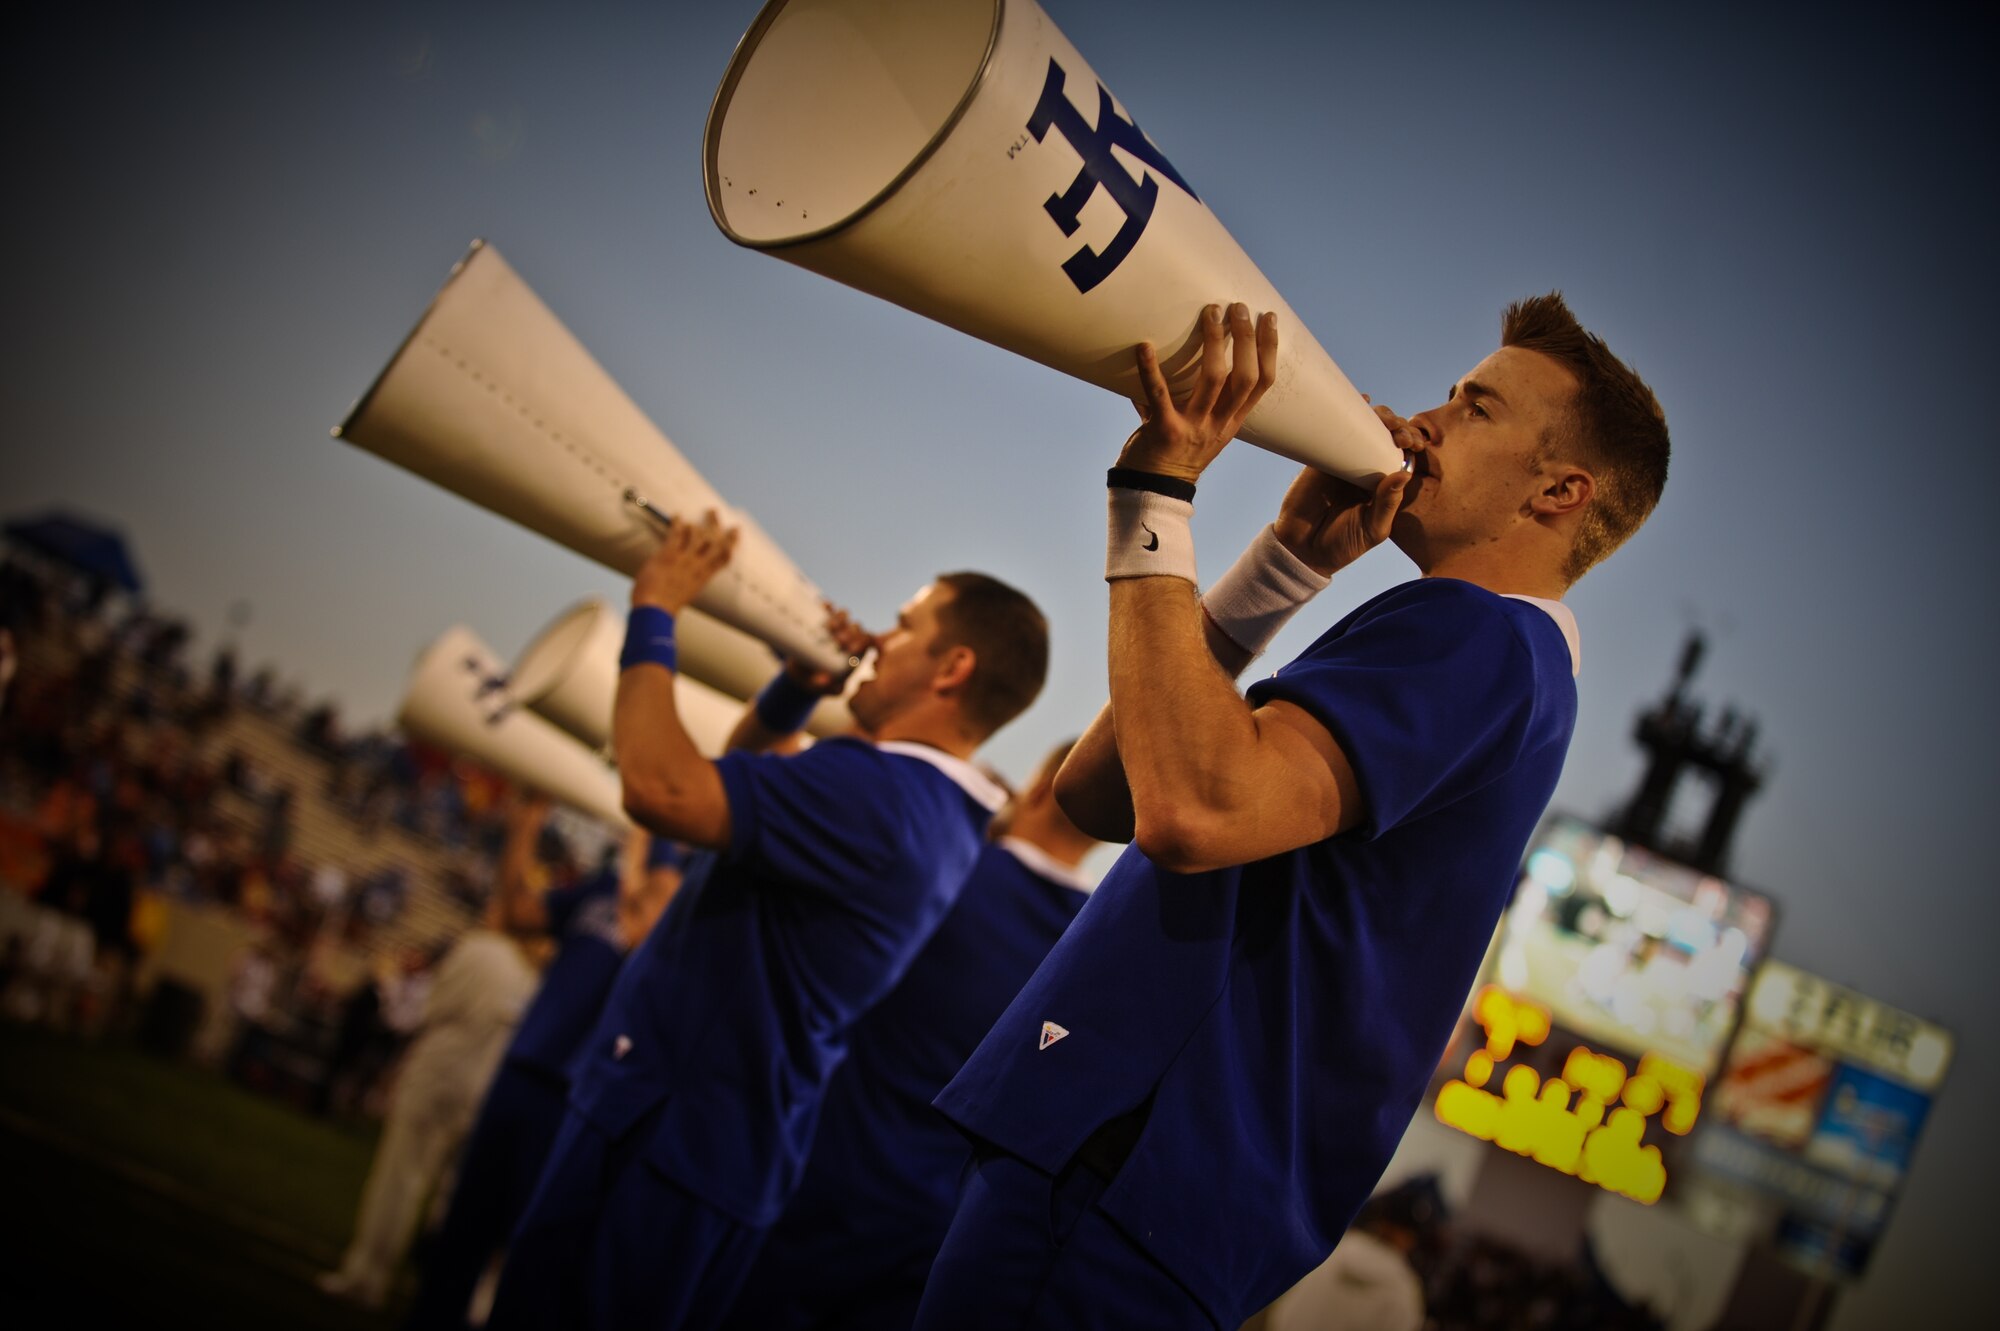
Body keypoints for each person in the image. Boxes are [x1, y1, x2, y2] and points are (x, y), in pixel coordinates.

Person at [916, 294, 1670, 1329]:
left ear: (1557, 490)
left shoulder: (1479, 634)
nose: (1428, 419)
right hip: (1152, 1178)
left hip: (1130, 1157)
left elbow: (1189, 809)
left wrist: (1155, 491)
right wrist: (1285, 562)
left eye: (1475, 406)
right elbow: (1098, 793)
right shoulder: (1505, 659)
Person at [486, 518, 1049, 1331]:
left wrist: (655, 610)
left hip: (668, 1132)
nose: (882, 640)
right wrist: (794, 686)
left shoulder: (875, 793)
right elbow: (736, 783)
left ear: (953, 667)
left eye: (906, 625)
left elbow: (662, 790)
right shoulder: (924, 806)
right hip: (709, 1142)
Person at [724, 738, 1099, 1331]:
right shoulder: (1095, 952)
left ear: (1038, 786)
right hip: (935, 1228)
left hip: (817, 1179)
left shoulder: (950, 867)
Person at [404, 797, 684, 1330]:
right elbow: (519, 914)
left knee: (530, 1242)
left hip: (577, 1096)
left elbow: (645, 924)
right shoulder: (599, 889)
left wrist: (652, 832)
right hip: (525, 1067)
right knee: (467, 1220)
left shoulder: (674, 899)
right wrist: (524, 827)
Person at [318, 904, 540, 1308]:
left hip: (439, 1069)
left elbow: (433, 1008)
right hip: (485, 1089)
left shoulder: (480, 948)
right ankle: (434, 1292)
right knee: (454, 1199)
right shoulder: (533, 976)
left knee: (400, 1176)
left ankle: (368, 1274)